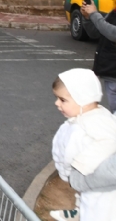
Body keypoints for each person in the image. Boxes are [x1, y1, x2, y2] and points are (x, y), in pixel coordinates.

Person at [51, 69, 116, 220]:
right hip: (91, 183)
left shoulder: (87, 129)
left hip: (99, 190)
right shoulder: (95, 116)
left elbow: (109, 141)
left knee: (96, 212)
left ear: (83, 99)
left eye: (62, 100)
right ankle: (78, 211)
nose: (57, 103)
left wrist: (76, 168)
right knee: (84, 200)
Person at [81, 0, 116, 112]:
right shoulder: (114, 12)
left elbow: (113, 34)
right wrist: (87, 18)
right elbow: (96, 32)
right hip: (111, 73)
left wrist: (94, 14)